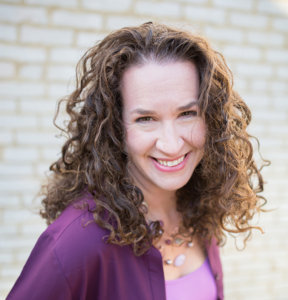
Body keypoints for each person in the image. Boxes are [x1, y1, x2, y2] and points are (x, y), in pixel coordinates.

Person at [7, 22, 267, 300]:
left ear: (211, 117)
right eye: (146, 119)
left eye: (187, 113)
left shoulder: (201, 206)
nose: (172, 144)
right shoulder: (75, 244)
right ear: (115, 128)